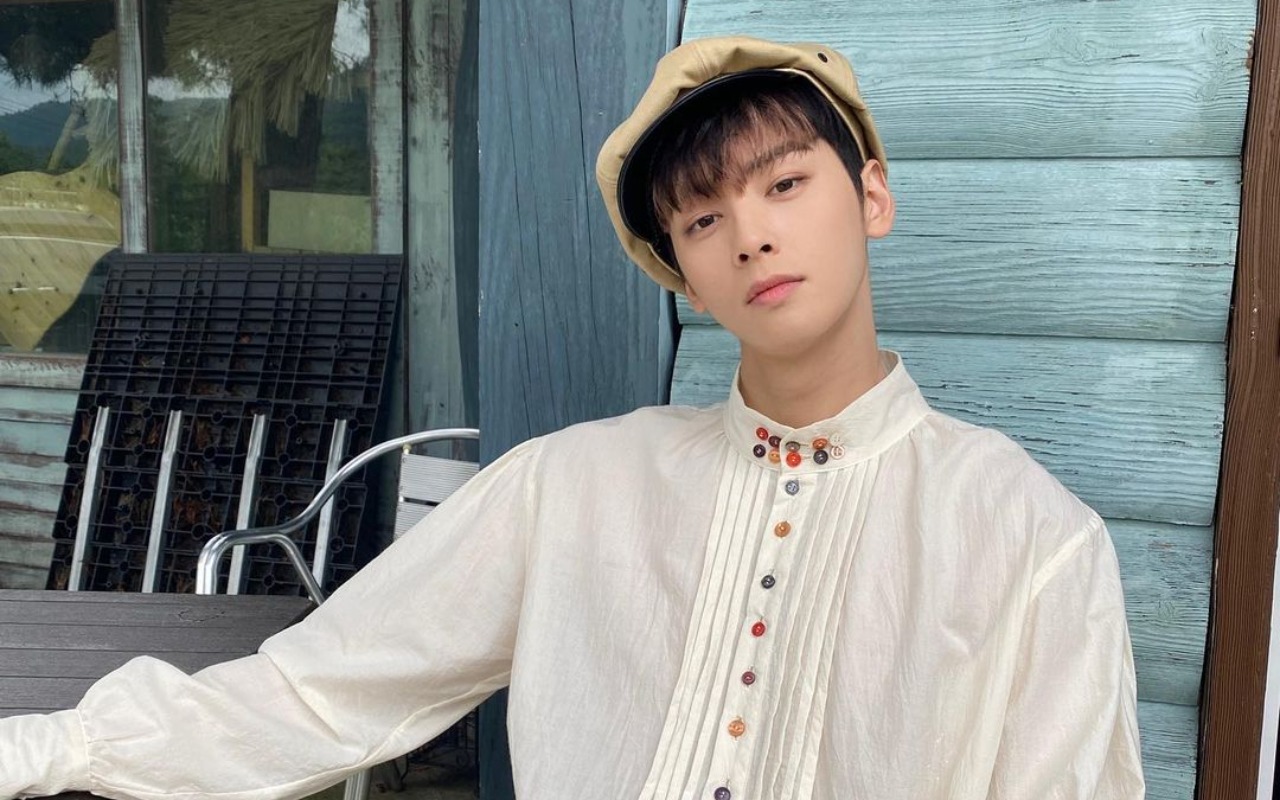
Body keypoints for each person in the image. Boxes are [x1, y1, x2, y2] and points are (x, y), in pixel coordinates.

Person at [2, 36, 1144, 800]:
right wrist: (52, 744)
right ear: (684, 278)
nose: (750, 234)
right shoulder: (571, 487)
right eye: (702, 219)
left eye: (786, 184)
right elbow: (324, 688)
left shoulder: (1029, 540)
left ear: (872, 195)